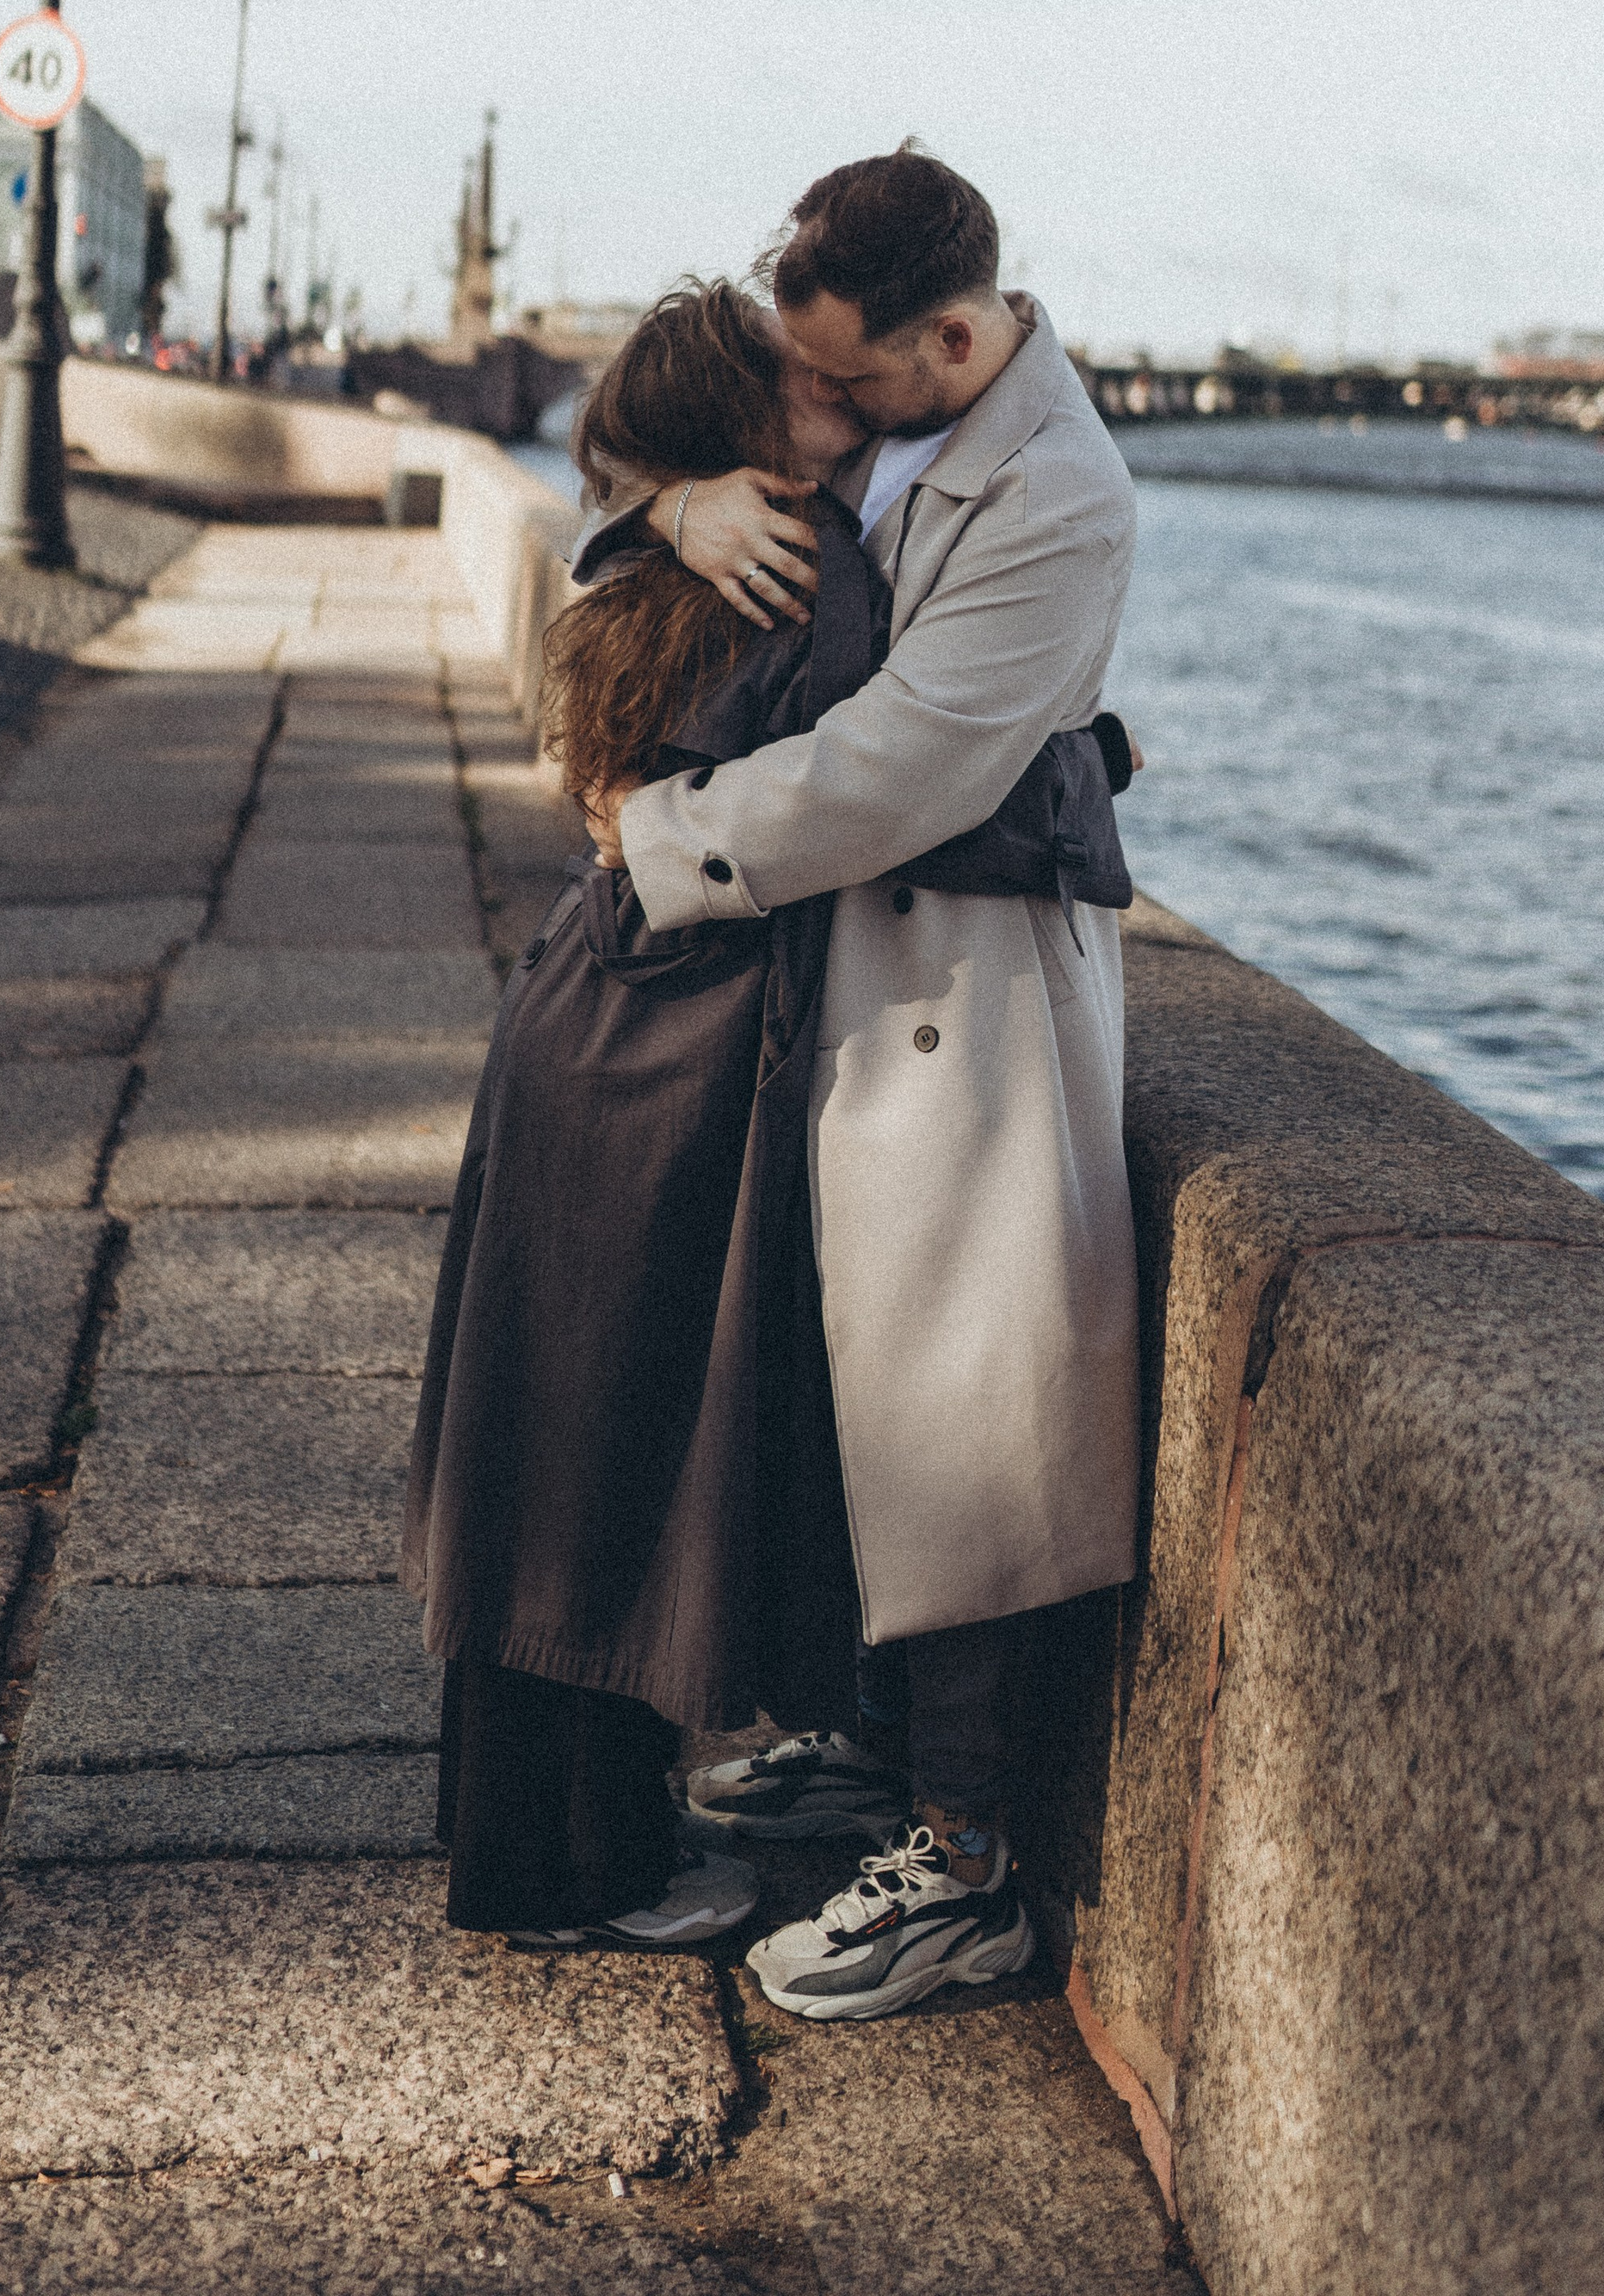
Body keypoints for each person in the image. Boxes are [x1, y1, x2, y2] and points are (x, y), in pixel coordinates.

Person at [403, 264, 1136, 1972]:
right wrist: (1089, 768)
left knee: (553, 1442)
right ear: (749, 432)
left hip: (588, 1005)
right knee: (611, 1456)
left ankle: (541, 1838)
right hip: (666, 1037)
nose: (842, 402)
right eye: (803, 394)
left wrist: (659, 499)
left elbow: (637, 659)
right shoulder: (815, 580)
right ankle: (574, 1862)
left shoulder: (675, 563)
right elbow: (930, 759)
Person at [595, 145, 1143, 2025]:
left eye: (858, 379)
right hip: (832, 965)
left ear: (962, 332)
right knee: (845, 1392)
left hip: (959, 998)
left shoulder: (1059, 495)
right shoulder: (874, 398)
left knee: (964, 1417)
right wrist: (666, 505)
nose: (820, 406)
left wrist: (654, 839)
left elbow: (909, 762)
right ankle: (874, 1749)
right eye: (797, 364)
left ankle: (972, 1868)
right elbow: (650, 416)